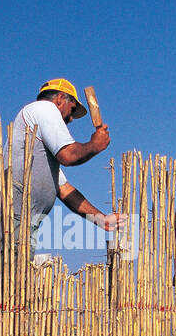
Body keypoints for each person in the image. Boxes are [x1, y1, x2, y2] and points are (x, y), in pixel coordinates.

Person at [7, 78, 122, 252]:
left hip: (24, 221)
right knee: (12, 275)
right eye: (72, 110)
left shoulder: (40, 143)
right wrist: (94, 146)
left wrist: (102, 220)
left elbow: (64, 190)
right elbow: (68, 156)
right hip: (14, 218)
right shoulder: (44, 108)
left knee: (17, 274)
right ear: (60, 98)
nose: (71, 119)